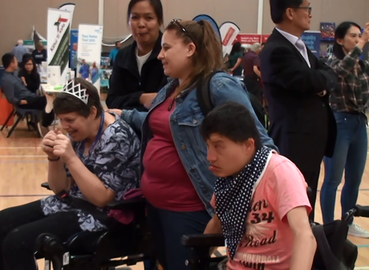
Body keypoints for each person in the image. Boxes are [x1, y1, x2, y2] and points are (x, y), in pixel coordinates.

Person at [111, 19, 276, 269]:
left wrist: (278, 183)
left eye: (166, 48)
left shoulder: (218, 86)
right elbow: (166, 124)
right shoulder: (172, 88)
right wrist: (124, 114)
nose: (160, 55)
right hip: (156, 205)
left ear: (190, 49)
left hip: (189, 209)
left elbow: (260, 142)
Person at [0, 78, 141, 270]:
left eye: (70, 120)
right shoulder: (79, 133)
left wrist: (71, 158)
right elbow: (60, 189)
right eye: (61, 119)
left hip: (104, 215)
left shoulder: (116, 137)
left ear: (92, 112)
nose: (65, 126)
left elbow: (102, 198)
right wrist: (53, 158)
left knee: (17, 242)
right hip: (74, 203)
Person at [203, 102, 316, 270]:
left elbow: (305, 236)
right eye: (208, 147)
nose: (210, 157)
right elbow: (217, 222)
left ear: (249, 145)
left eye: (218, 147)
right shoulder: (228, 178)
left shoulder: (279, 171)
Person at [260, 0, 337, 220]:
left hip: (310, 142)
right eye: (307, 8)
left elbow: (328, 76)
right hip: (294, 143)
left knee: (307, 204)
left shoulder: (298, 47)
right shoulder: (277, 50)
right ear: (290, 12)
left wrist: (321, 86)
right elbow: (310, 80)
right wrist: (320, 85)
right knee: (294, 209)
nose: (310, 14)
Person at [321, 21, 369, 238]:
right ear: (339, 39)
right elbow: (339, 74)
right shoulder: (331, 61)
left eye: (359, 36)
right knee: (333, 179)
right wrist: (362, 43)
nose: (358, 40)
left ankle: (347, 222)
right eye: (353, 36)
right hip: (339, 123)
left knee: (354, 178)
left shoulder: (363, 66)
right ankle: (328, 227)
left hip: (359, 124)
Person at [106, 0, 167, 112]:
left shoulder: (168, 55)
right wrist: (141, 98)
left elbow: (165, 104)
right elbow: (112, 101)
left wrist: (127, 104)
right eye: (135, 17)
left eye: (148, 18)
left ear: (159, 21)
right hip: (125, 127)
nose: (141, 24)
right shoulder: (122, 57)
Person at [0, 52, 54, 128]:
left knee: (49, 98)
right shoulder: (7, 80)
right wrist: (22, 101)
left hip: (30, 97)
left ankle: (43, 123)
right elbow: (10, 98)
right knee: (48, 100)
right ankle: (44, 124)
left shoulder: (14, 74)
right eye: (15, 61)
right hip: (25, 102)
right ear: (11, 64)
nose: (17, 63)